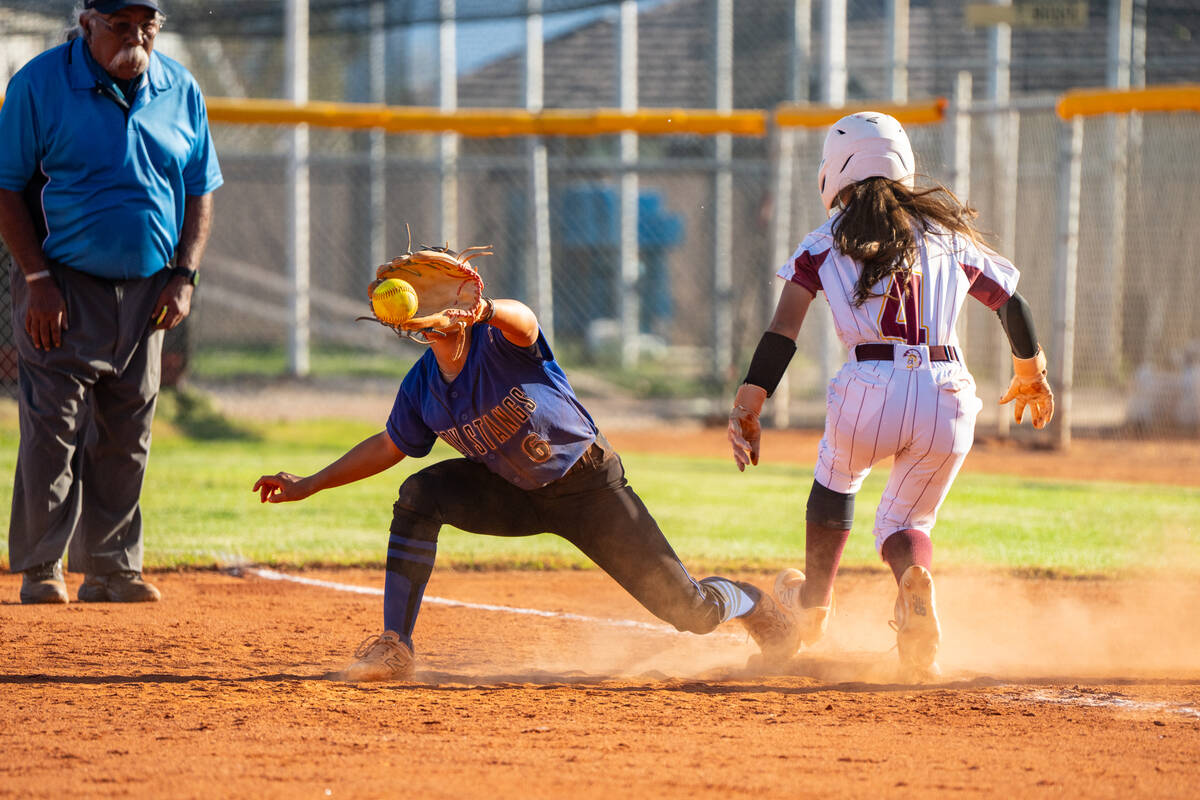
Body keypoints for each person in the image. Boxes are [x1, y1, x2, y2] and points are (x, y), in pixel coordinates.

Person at [254, 291, 800, 681]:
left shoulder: (500, 341)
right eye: (426, 297)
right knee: (419, 496)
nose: (435, 305)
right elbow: (388, 446)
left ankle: (752, 602)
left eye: (449, 292)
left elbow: (526, 321)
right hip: (511, 493)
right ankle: (395, 645)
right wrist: (310, 485)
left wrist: (488, 309)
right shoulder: (421, 386)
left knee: (693, 614)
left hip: (589, 488)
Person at [727, 111, 1054, 679]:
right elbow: (1012, 303)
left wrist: (750, 401)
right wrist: (1028, 371)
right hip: (948, 391)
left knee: (835, 480)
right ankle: (911, 581)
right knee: (904, 522)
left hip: (869, 385)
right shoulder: (950, 237)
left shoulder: (825, 242)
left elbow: (784, 329)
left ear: (836, 172)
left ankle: (813, 608)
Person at [0, 0, 223, 604]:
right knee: (54, 426)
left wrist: (185, 276)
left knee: (129, 427)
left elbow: (200, 188)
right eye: (120, 24)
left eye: (146, 23)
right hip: (62, 284)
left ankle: (111, 567)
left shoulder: (181, 88)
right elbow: (6, 187)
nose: (136, 35)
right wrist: (37, 280)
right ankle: (42, 566)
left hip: (151, 288)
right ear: (86, 23)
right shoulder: (40, 83)